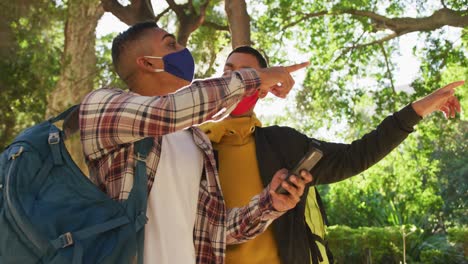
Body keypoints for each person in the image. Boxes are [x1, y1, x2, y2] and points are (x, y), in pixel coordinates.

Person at [199, 46, 464, 264]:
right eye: (228, 72)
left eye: (246, 74)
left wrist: (415, 111)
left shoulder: (284, 145)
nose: (234, 80)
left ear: (264, 87)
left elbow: (354, 156)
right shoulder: (194, 146)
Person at [78, 22, 312, 264]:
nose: (182, 50)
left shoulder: (195, 139)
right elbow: (170, 110)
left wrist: (270, 203)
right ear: (147, 63)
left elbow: (216, 230)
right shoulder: (102, 107)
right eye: (171, 44)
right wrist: (256, 77)